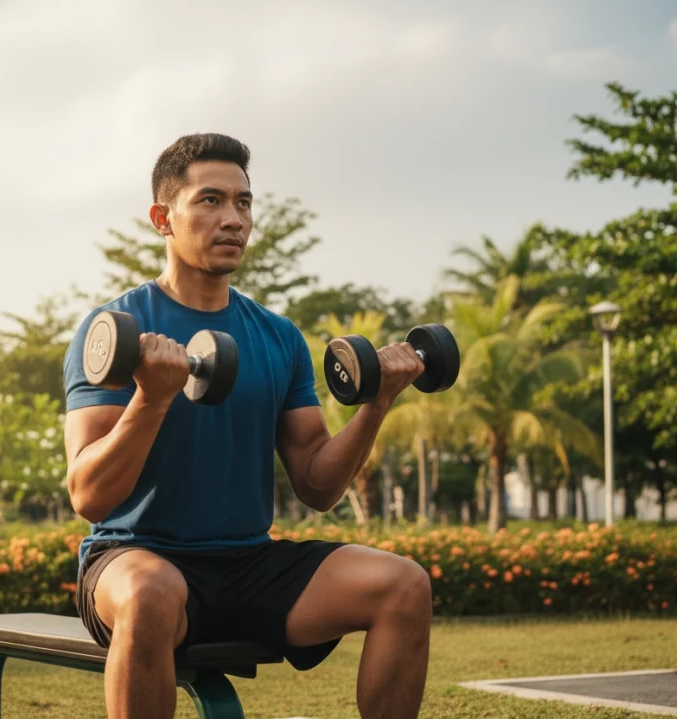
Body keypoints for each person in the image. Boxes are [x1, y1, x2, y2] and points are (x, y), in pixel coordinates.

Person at [63, 133, 433, 719]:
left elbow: (318, 486)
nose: (233, 219)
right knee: (149, 594)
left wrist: (376, 403)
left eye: (243, 203)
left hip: (247, 564)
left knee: (404, 584)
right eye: (210, 200)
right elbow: (89, 495)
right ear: (162, 219)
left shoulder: (279, 337)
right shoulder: (115, 329)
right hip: (133, 555)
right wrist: (152, 399)